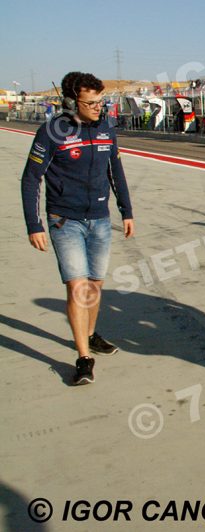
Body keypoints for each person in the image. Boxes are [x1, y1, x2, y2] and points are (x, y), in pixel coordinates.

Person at [21, 71, 135, 386]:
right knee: (77, 286)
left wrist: (127, 211)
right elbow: (31, 178)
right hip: (64, 220)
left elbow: (117, 170)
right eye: (93, 103)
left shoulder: (107, 128)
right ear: (73, 103)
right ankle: (84, 357)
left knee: (95, 286)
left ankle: (89, 333)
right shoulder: (51, 132)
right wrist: (35, 224)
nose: (101, 107)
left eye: (102, 101)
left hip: (99, 218)